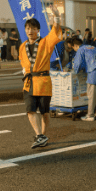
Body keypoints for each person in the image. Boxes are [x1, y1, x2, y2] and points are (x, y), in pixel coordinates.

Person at [18, 10, 62, 148]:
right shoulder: (22, 46)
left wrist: (56, 17)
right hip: (29, 82)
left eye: (33, 28)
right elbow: (22, 61)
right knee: (30, 110)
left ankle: (43, 135)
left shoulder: (45, 42)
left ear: (38, 30)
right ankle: (39, 135)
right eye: (28, 28)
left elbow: (55, 31)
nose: (30, 31)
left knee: (44, 112)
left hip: (43, 81)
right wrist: (24, 70)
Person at [73, 43, 96, 121]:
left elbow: (78, 63)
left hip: (93, 74)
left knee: (92, 96)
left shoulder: (81, 50)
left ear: (75, 45)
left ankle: (90, 115)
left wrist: (75, 70)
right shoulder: (92, 47)